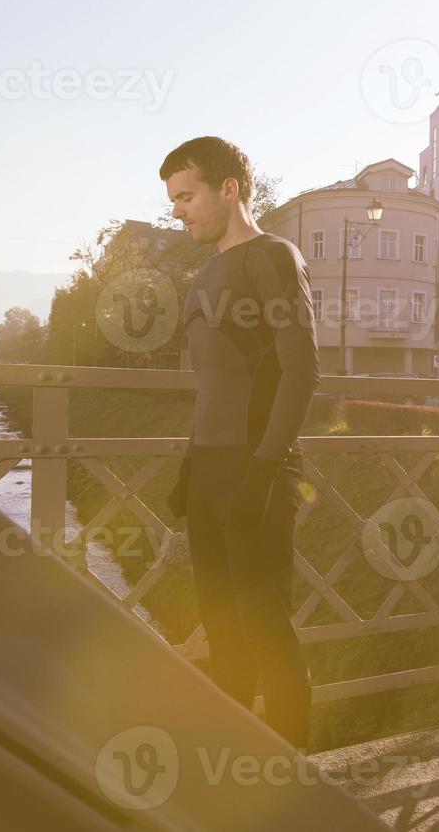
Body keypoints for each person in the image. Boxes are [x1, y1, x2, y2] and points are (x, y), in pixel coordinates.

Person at [160, 136, 318, 750]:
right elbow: (215, 384)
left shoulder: (273, 257)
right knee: (224, 632)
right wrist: (190, 466)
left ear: (230, 188)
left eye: (187, 195)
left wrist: (263, 470)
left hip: (260, 472)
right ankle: (233, 777)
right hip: (209, 474)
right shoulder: (204, 273)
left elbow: (302, 372)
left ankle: (294, 790)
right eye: (173, 199)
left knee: (264, 630)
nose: (178, 210)